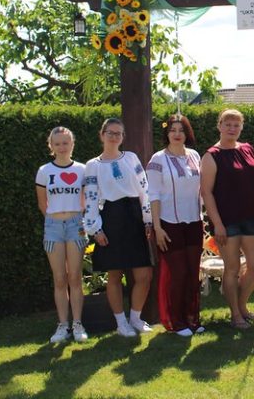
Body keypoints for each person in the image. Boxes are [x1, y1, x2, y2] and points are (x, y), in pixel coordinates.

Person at [83, 118, 154, 337]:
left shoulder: (131, 158)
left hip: (134, 216)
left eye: (118, 133)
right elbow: (90, 198)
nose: (114, 137)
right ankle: (121, 323)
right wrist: (95, 229)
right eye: (110, 133)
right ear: (102, 135)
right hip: (111, 219)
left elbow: (144, 189)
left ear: (123, 137)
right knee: (114, 275)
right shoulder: (93, 165)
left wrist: (148, 219)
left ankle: (136, 318)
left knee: (144, 274)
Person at [200, 109, 254, 329]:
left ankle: (242, 305)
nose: (232, 128)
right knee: (232, 268)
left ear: (241, 127)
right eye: (227, 124)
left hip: (251, 217)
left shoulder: (248, 149)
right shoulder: (211, 156)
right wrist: (217, 224)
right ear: (219, 126)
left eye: (236, 125)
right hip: (226, 222)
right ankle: (235, 314)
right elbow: (206, 192)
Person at [147, 114, 204, 337]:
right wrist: (157, 227)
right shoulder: (157, 160)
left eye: (181, 130)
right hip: (169, 223)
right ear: (166, 133)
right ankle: (176, 322)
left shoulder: (195, 156)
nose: (177, 134)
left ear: (187, 133)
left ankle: (192, 318)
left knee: (192, 272)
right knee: (177, 273)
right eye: (173, 130)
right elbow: (153, 195)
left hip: (194, 221)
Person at [35, 126, 89, 343]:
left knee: (75, 276)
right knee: (59, 278)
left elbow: (87, 199)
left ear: (72, 144)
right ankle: (62, 325)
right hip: (53, 226)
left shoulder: (82, 170)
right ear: (51, 146)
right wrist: (54, 219)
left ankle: (78, 324)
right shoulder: (44, 171)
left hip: (76, 225)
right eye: (57, 143)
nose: (62, 147)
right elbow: (42, 204)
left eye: (65, 143)